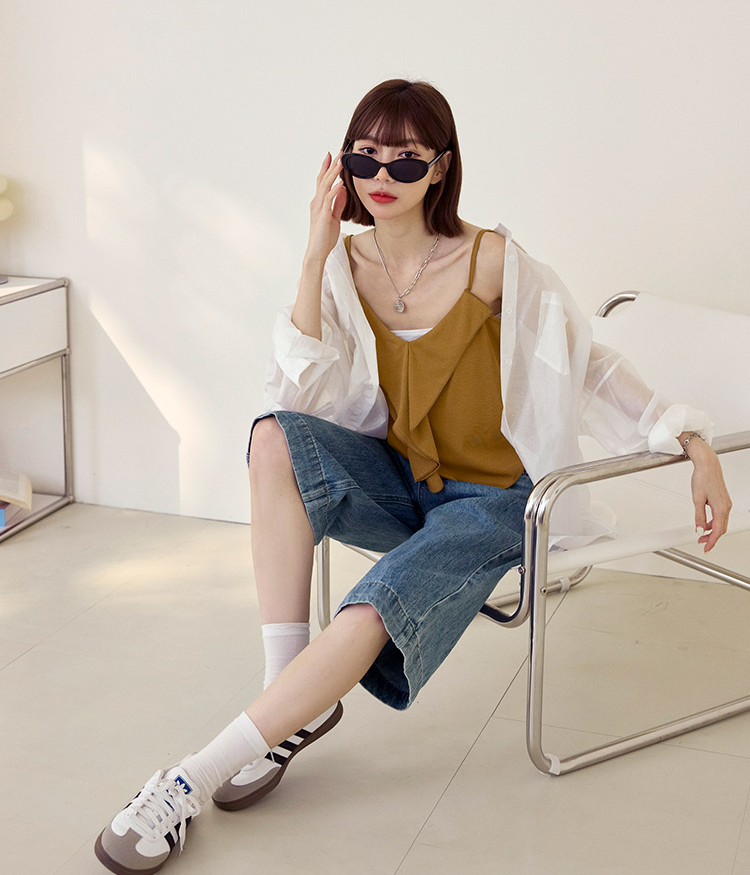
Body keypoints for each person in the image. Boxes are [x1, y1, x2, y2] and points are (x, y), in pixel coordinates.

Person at [95, 79, 732, 873]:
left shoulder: (490, 260)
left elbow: (585, 364)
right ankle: (285, 701)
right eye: (365, 156)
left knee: (372, 605)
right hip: (402, 480)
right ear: (343, 166)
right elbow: (294, 393)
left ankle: (188, 780)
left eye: (406, 159)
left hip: (494, 503)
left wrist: (690, 439)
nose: (382, 175)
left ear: (441, 168)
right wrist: (313, 253)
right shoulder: (345, 262)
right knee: (272, 438)